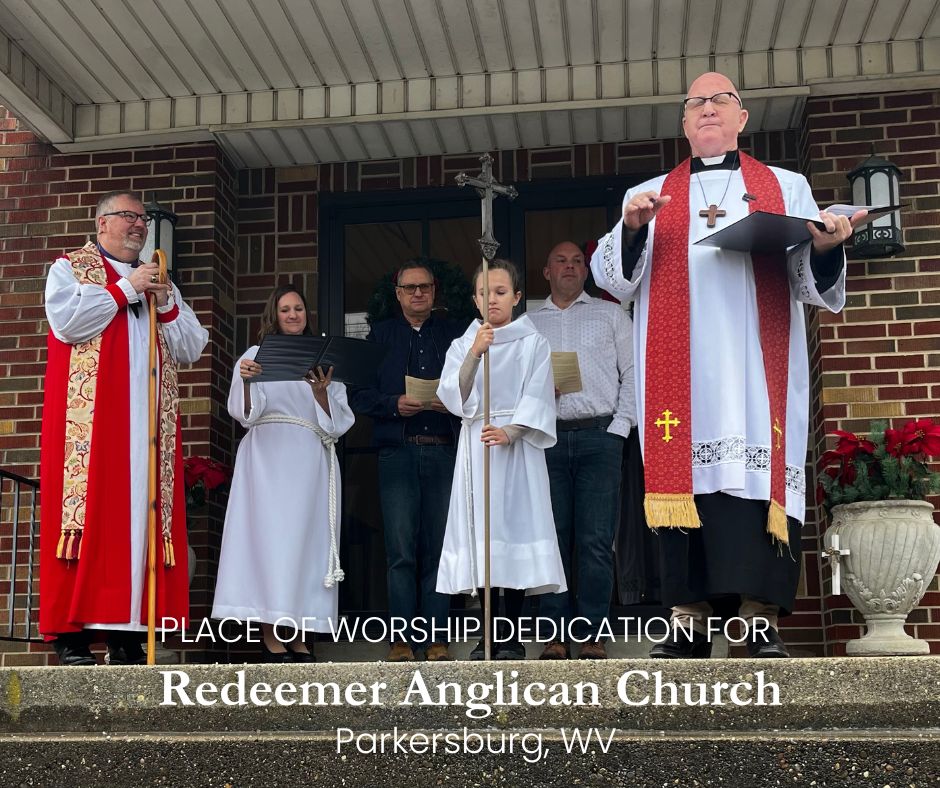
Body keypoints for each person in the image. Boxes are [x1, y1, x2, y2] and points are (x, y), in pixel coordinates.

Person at [590, 72, 865, 659]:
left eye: (722, 100)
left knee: (753, 482)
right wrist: (633, 230)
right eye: (696, 102)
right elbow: (612, 278)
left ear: (742, 118)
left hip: (753, 370)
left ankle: (756, 620)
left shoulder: (786, 186)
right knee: (682, 482)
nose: (708, 109)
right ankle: (687, 620)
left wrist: (824, 246)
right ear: (685, 122)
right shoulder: (648, 193)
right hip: (678, 373)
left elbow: (808, 285)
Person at [39, 190, 208, 665]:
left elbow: (193, 346)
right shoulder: (70, 269)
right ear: (101, 225)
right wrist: (127, 288)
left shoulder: (161, 282)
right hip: (90, 430)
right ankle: (71, 638)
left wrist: (166, 300)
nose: (139, 225)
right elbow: (68, 322)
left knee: (142, 526)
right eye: (128, 217)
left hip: (148, 431)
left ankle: (128, 635)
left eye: (142, 219)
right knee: (83, 522)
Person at [211, 284, 354, 662]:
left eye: (299, 309)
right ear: (274, 314)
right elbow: (244, 414)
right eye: (286, 309)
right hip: (267, 460)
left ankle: (302, 633)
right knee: (270, 545)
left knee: (306, 547)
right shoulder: (256, 355)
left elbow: (337, 425)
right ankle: (271, 633)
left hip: (309, 459)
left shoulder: (322, 359)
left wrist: (321, 392)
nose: (293, 315)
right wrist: (246, 379)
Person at [436, 259, 566, 660]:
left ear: (516, 297)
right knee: (483, 539)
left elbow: (539, 393)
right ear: (475, 298)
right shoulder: (463, 343)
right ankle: (487, 636)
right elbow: (453, 395)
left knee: (514, 537)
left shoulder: (533, 342)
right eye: (484, 292)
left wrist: (512, 431)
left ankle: (510, 636)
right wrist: (475, 353)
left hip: (517, 448)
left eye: (500, 292)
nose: (491, 299)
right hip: (477, 447)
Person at [348, 261, 465, 662]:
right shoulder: (380, 337)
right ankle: (401, 639)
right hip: (397, 451)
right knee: (401, 550)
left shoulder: (454, 336)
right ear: (398, 294)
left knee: (439, 548)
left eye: (425, 287)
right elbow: (357, 396)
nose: (418, 294)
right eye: (410, 288)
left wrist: (452, 401)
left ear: (435, 291)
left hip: (443, 448)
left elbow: (476, 387)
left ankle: (436, 639)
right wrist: (393, 404)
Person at [528, 241, 635, 660]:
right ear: (546, 272)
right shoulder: (528, 323)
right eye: (561, 261)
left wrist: (619, 429)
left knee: (594, 540)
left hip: (599, 435)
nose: (570, 267)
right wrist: (537, 394)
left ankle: (591, 635)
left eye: (577, 261)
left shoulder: (611, 315)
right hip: (547, 437)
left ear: (586, 271)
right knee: (551, 539)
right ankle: (554, 637)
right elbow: (512, 382)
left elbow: (632, 374)